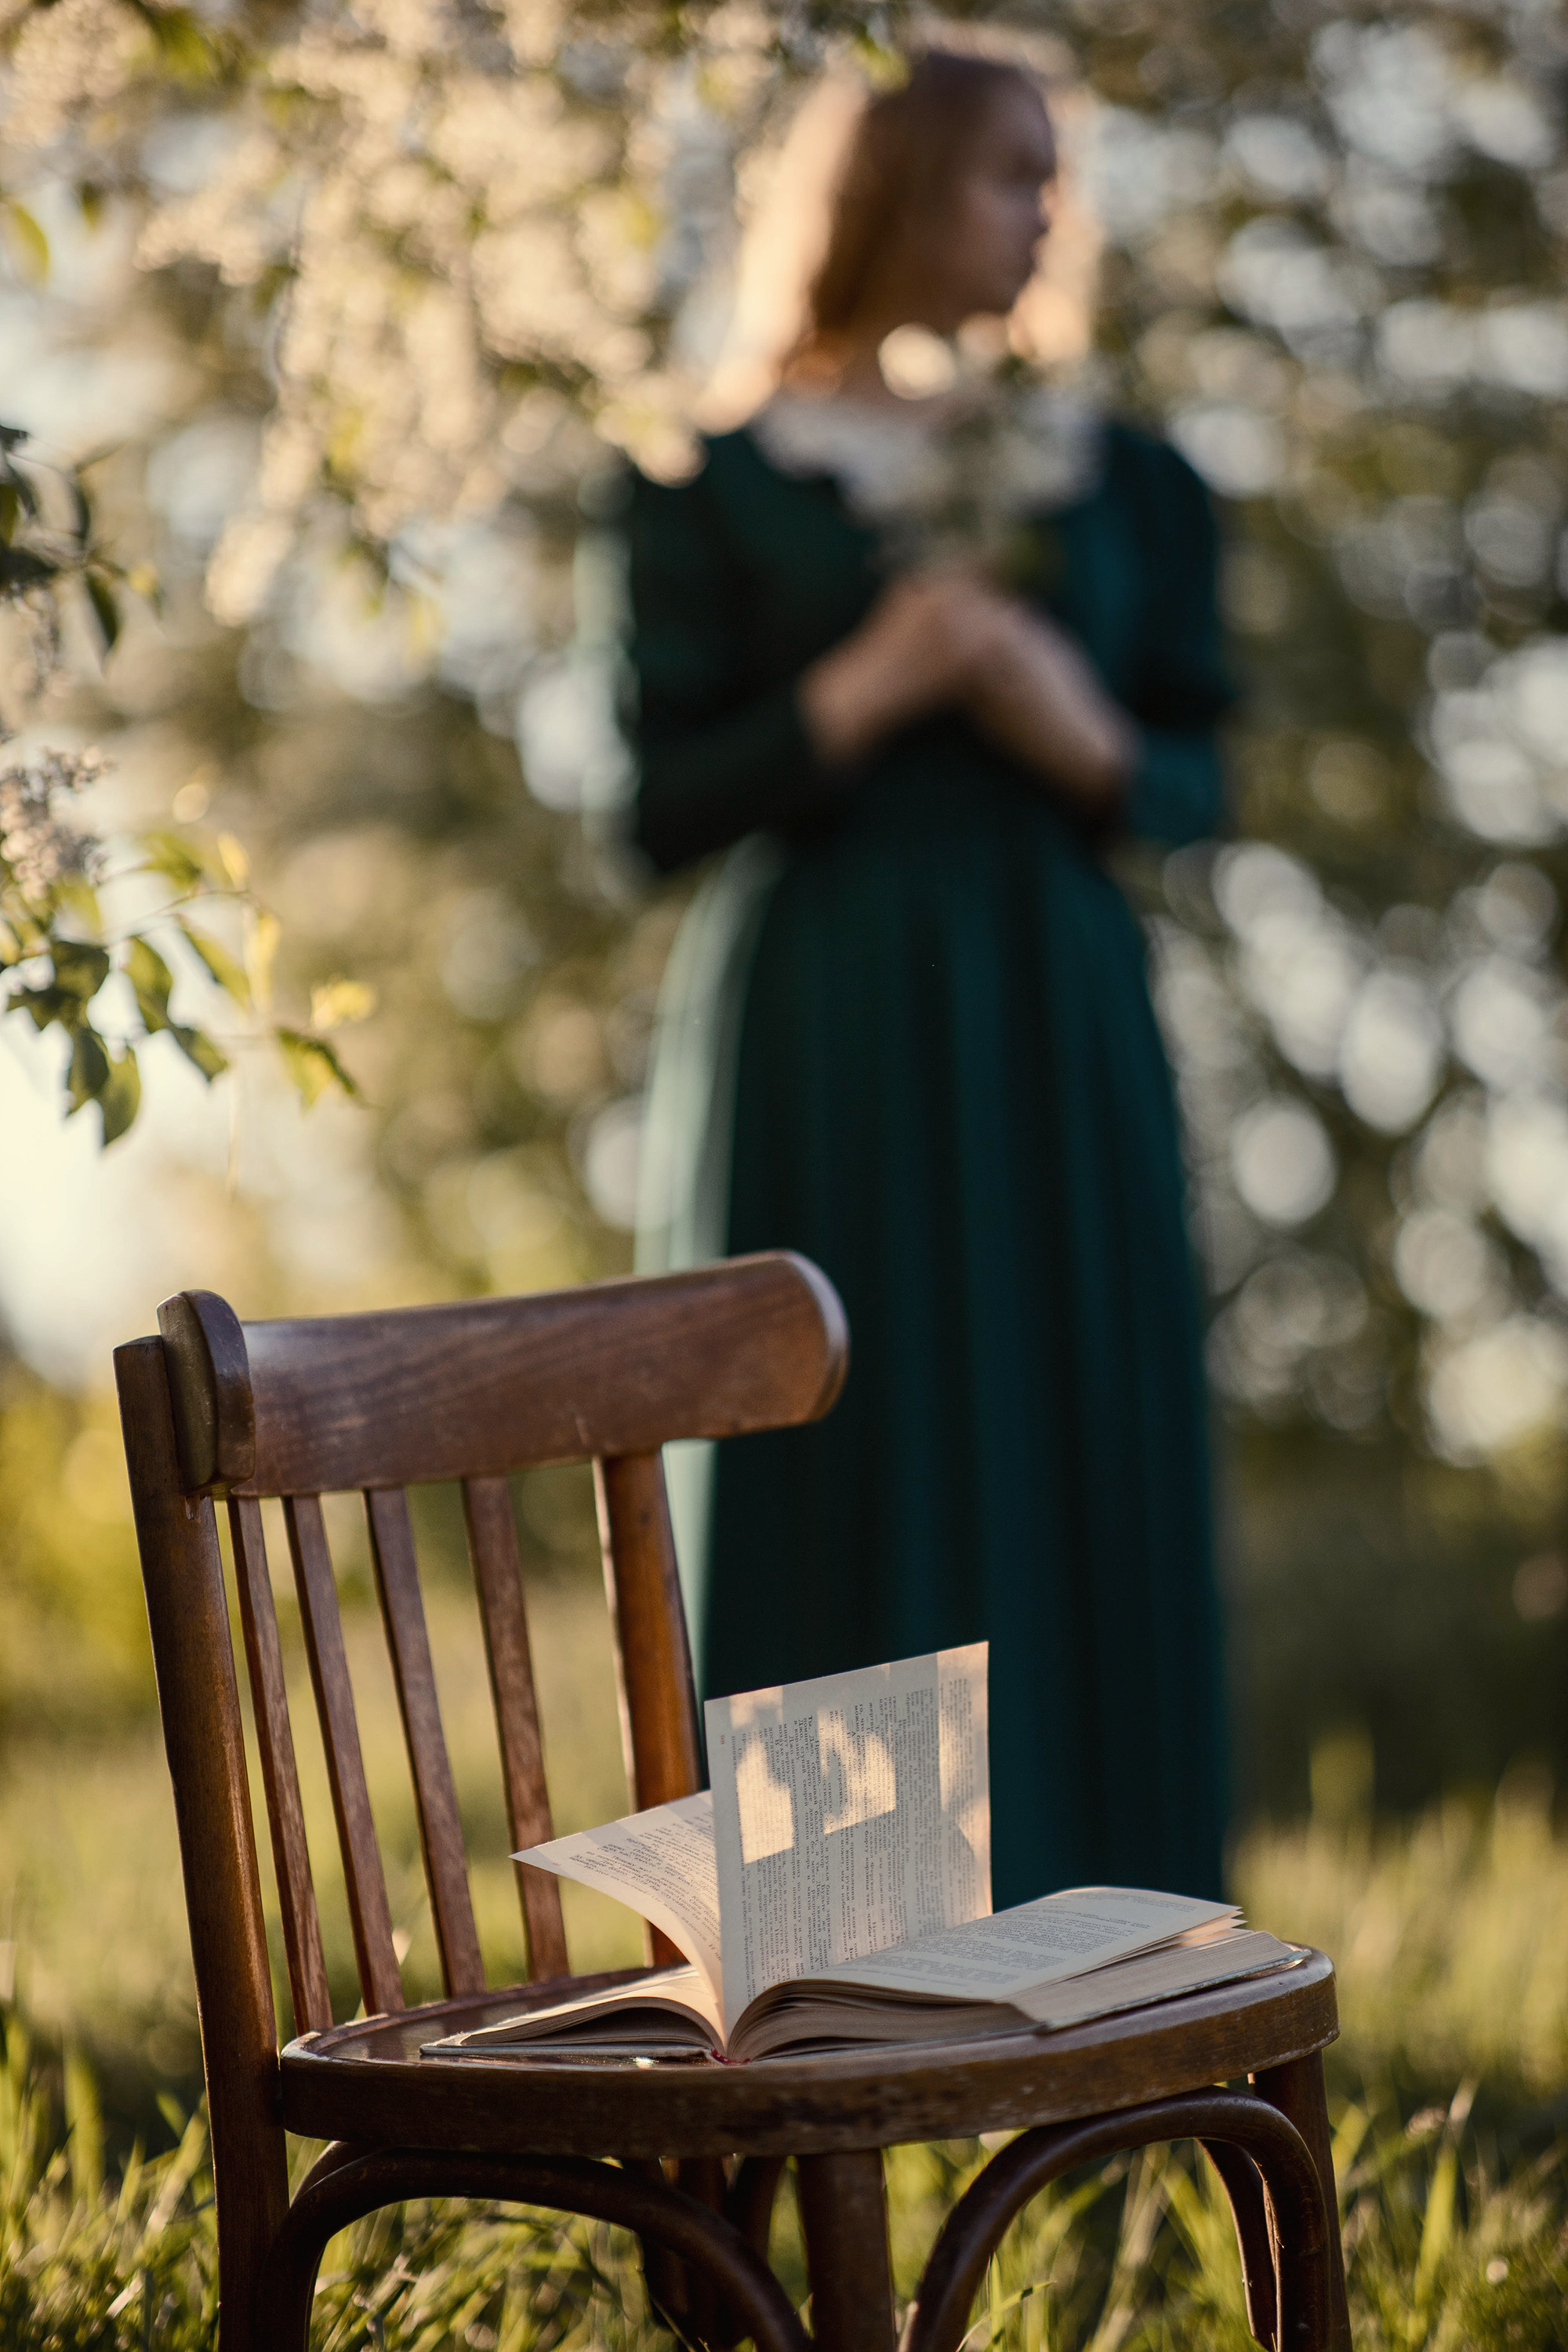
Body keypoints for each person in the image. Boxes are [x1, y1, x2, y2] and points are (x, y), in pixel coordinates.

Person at [626, 50, 1232, 1907]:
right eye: (999, 175)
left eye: (1052, 178)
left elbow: (1204, 778)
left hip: (1056, 1020)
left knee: (1075, 1427)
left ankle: (1116, 1974)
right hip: (832, 1027)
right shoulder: (712, 477)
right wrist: (866, 684)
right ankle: (843, 1974)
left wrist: (1074, 725)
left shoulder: (1124, 475)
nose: (1040, 213)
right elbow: (651, 803)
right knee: (843, 1434)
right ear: (887, 192)